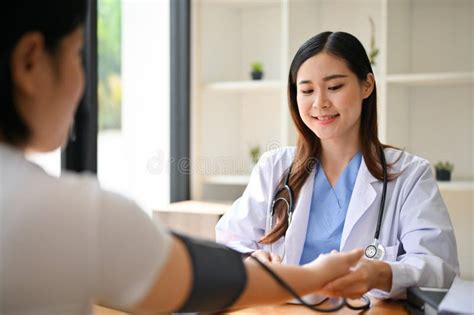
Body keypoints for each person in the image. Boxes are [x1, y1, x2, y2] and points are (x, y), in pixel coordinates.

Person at [0, 2, 365, 314]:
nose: (83, 82)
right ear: (31, 62)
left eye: (334, 87)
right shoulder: (71, 213)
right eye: (79, 53)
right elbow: (204, 276)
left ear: (366, 86)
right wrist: (317, 275)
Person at [216, 31, 459, 299]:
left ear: (367, 85)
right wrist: (252, 259)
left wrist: (381, 274)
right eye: (307, 90)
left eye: (334, 87)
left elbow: (440, 267)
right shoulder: (274, 167)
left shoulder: (410, 174)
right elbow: (230, 242)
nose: (320, 103)